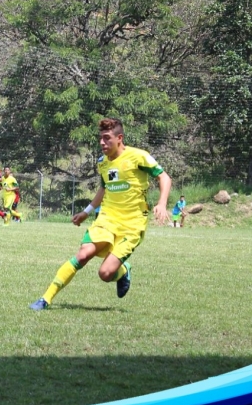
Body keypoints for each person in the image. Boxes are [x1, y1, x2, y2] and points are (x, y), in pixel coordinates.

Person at [29, 118, 171, 310]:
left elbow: (164, 177)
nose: (102, 143)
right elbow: (104, 189)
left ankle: (122, 271)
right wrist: (86, 212)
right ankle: (45, 299)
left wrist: (162, 203)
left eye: (107, 138)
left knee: (105, 273)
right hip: (107, 219)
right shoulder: (103, 163)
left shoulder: (139, 157)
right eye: (100, 139)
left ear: (119, 138)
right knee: (82, 255)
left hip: (133, 224)